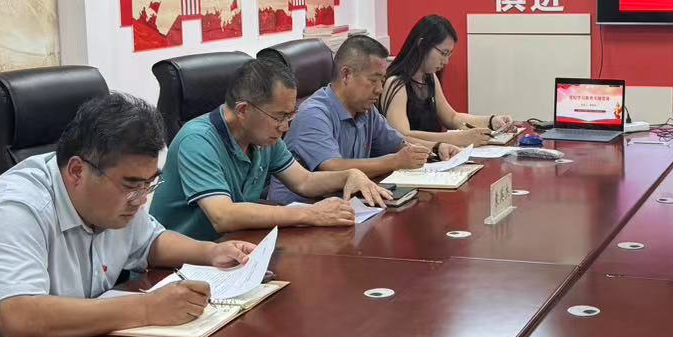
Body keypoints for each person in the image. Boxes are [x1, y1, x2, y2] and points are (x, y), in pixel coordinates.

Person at [0, 93, 256, 337]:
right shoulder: (16, 209)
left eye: (149, 184)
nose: (141, 199)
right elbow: (18, 317)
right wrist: (148, 308)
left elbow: (150, 241)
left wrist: (211, 252)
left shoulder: (111, 198)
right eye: (132, 185)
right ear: (77, 171)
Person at [150, 57, 392, 238]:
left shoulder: (263, 137)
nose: (285, 127)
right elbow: (222, 215)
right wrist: (311, 213)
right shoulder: (198, 140)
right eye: (280, 117)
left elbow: (304, 181)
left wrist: (349, 175)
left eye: (290, 115)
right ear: (243, 110)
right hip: (182, 263)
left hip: (234, 247)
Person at [269, 35, 453, 204]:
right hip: (297, 213)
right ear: (346, 75)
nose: (380, 89)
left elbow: (397, 143)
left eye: (382, 80)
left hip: (346, 206)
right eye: (373, 80)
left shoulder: (365, 109)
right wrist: (395, 161)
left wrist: (436, 147)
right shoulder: (314, 113)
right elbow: (333, 167)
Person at [379, 15, 513, 148]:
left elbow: (451, 117)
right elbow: (402, 135)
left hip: (435, 155)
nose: (446, 61)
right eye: (443, 53)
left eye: (449, 54)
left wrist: (491, 121)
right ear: (422, 45)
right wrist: (456, 138)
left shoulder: (430, 77)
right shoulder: (396, 83)